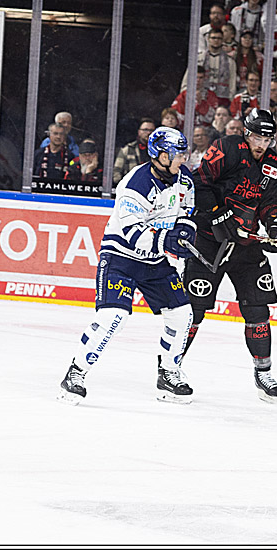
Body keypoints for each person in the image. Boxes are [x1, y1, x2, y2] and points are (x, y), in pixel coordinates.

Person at [58, 127, 197, 404]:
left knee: (182, 314)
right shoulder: (136, 183)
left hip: (156, 262)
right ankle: (75, 373)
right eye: (176, 154)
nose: (182, 159)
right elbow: (133, 234)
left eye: (183, 153)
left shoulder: (185, 180)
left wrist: (185, 231)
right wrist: (167, 241)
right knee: (113, 318)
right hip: (121, 258)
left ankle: (168, 373)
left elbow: (187, 211)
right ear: (160, 155)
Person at [180, 109, 277, 403]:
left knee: (258, 309)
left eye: (267, 139)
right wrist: (216, 214)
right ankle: (170, 366)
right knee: (194, 310)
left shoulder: (274, 164)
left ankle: (263, 372)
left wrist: (276, 224)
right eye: (257, 136)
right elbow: (199, 183)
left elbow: (270, 201)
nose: (261, 144)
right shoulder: (227, 148)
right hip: (208, 242)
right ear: (246, 132)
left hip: (244, 244)